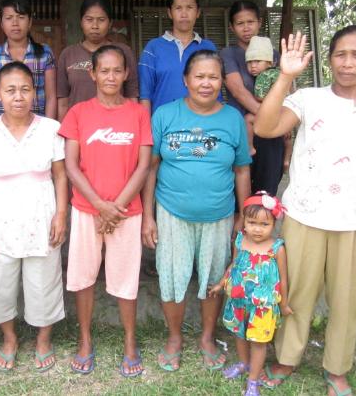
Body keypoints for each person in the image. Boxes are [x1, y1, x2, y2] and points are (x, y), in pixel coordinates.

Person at [254, 28, 356, 396]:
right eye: (340, 54)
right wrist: (285, 76)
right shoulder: (308, 99)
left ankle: (337, 368)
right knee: (297, 294)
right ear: (330, 58)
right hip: (305, 215)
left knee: (347, 300)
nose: (347, 63)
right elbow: (266, 127)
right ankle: (286, 358)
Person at [141, 50, 251, 373]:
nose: (206, 83)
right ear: (186, 80)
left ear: (222, 82)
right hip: (171, 211)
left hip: (219, 213)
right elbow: (150, 167)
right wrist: (148, 215)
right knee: (171, 276)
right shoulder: (165, 114)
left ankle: (207, 337)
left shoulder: (232, 119)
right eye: (199, 76)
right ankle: (174, 337)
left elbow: (242, 170)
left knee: (214, 278)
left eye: (213, 77)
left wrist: (242, 216)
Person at [0, 62, 68, 372]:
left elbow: (61, 176)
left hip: (42, 214)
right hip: (0, 217)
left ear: (35, 93)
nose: (18, 97)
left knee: (44, 279)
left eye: (25, 89)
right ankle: (9, 338)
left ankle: (43, 339)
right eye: (10, 90)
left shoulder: (51, 129)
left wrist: (61, 214)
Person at [59, 45, 152, 377]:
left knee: (126, 278)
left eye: (117, 71)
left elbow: (143, 166)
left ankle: (130, 341)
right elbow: (71, 165)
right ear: (93, 74)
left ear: (126, 74)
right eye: (104, 71)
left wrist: (116, 207)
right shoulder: (78, 113)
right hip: (87, 209)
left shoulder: (139, 113)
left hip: (127, 211)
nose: (111, 77)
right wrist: (99, 205)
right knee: (83, 277)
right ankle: (85, 340)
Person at [209, 192, 292, 396]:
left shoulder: (277, 249)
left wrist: (283, 304)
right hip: (238, 299)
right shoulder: (240, 241)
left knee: (258, 341)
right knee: (239, 333)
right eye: (252, 222)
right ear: (244, 221)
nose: (257, 229)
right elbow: (234, 265)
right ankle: (244, 363)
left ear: (274, 224)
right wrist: (221, 283)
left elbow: (283, 278)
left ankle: (253, 379)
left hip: (263, 305)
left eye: (264, 224)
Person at [220, 1, 284, 195]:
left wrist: (282, 121)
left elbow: (284, 89)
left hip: (271, 134)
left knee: (266, 193)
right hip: (240, 131)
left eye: (250, 22)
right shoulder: (228, 54)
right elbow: (238, 91)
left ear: (259, 23)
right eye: (240, 23)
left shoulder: (274, 55)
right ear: (231, 27)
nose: (246, 28)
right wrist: (270, 117)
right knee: (237, 192)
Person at [57, 0, 139, 121]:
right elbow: (63, 102)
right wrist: (64, 129)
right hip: (78, 125)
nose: (95, 26)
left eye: (101, 20)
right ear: (81, 22)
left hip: (117, 125)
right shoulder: (68, 54)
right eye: (89, 19)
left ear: (110, 23)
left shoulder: (123, 52)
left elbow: (132, 95)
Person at [138, 0, 218, 115]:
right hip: (164, 123)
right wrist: (147, 126)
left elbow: (215, 91)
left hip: (202, 123)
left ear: (198, 12)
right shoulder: (153, 48)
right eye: (178, 8)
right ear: (170, 13)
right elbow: (145, 95)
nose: (184, 14)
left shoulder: (208, 47)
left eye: (189, 7)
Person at [0, 0, 57, 123]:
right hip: (1, 127)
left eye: (21, 17)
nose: (15, 23)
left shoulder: (44, 53)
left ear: (30, 22)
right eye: (9, 18)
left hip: (36, 126)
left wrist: (49, 128)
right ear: (2, 24)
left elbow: (51, 97)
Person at [243, 36, 292, 165]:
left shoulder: (263, 76)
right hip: (287, 110)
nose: (253, 66)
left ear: (269, 63)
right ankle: (287, 159)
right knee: (287, 137)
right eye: (249, 62)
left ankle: (250, 147)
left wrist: (269, 99)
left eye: (257, 61)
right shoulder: (280, 72)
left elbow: (259, 96)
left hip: (274, 111)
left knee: (247, 119)